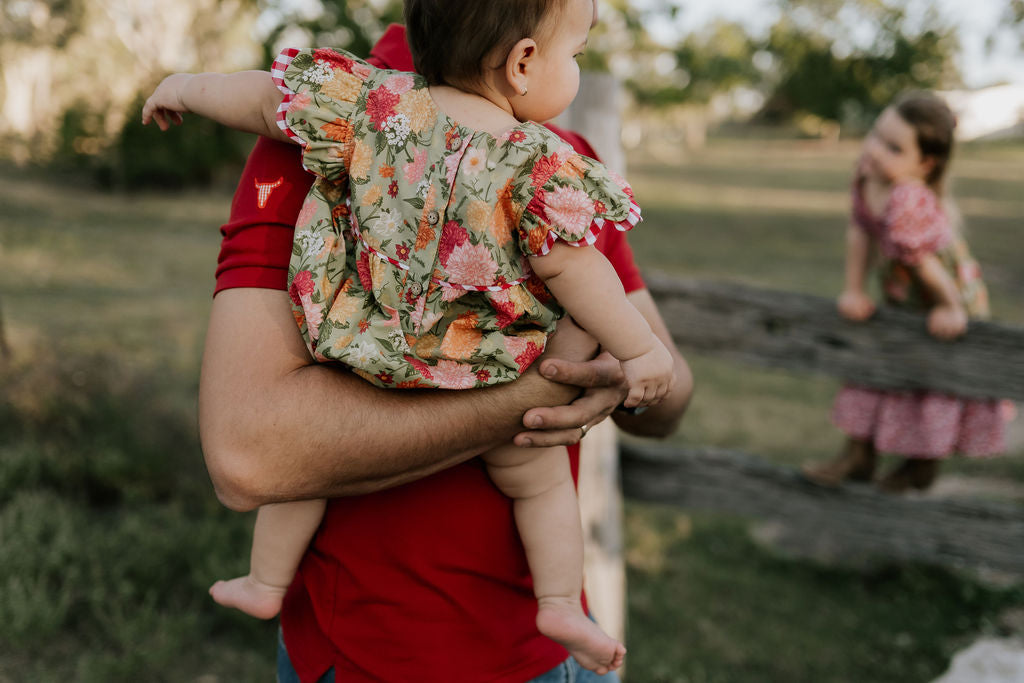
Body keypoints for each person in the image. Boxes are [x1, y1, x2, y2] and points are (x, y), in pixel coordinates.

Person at [151, 7, 693, 683]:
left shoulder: (369, 105)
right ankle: (558, 604)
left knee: (305, 483)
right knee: (540, 482)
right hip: (482, 366)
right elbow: (578, 273)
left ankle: (265, 581)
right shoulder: (544, 166)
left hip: (367, 353)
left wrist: (184, 86)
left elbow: (264, 97)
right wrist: (639, 353)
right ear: (523, 63)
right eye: (577, 55)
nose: (578, 68)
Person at [802, 91, 1008, 493]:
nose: (875, 150)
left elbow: (924, 263)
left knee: (932, 380)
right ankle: (858, 455)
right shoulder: (868, 176)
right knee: (873, 365)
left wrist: (950, 306)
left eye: (894, 148)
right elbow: (860, 231)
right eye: (876, 135)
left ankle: (921, 464)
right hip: (905, 297)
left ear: (925, 164)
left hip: (946, 294)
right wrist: (853, 289)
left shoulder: (907, 198)